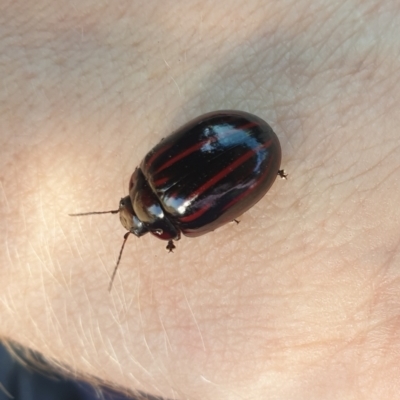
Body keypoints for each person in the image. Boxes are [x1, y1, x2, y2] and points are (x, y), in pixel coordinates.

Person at [1, 1, 400, 399]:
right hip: (245, 139)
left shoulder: (186, 221)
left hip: (252, 151)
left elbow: (231, 206)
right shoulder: (153, 166)